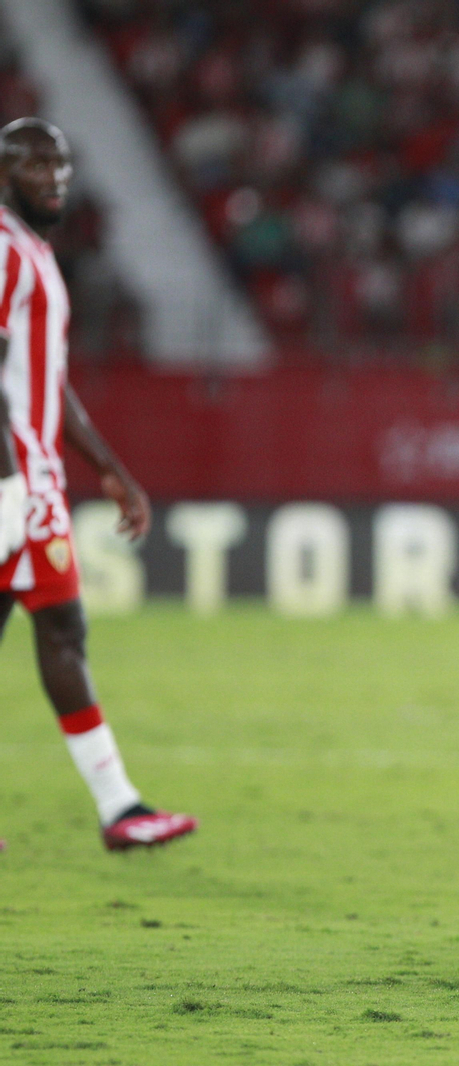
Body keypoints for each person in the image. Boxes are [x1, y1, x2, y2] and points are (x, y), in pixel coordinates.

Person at [0, 119, 195, 852]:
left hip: (32, 478)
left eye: (61, 166)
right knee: (62, 628)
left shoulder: (33, 251)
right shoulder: (4, 250)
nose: (54, 179)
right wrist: (7, 483)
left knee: (54, 628)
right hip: (16, 481)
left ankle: (121, 808)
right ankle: (120, 807)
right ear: (4, 172)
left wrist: (110, 467)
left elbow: (45, 381)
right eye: (36, 165)